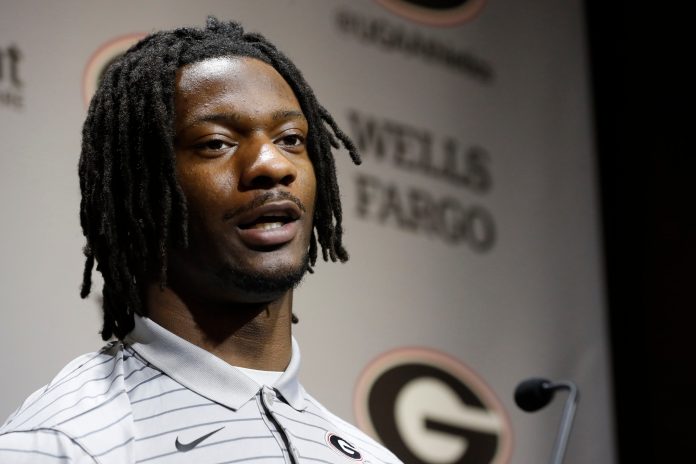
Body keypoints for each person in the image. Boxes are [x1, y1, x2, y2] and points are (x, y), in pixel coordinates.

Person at [0, 17, 402, 464]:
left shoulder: (370, 457)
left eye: (291, 139)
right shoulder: (65, 443)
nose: (272, 163)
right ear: (141, 190)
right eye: (215, 143)